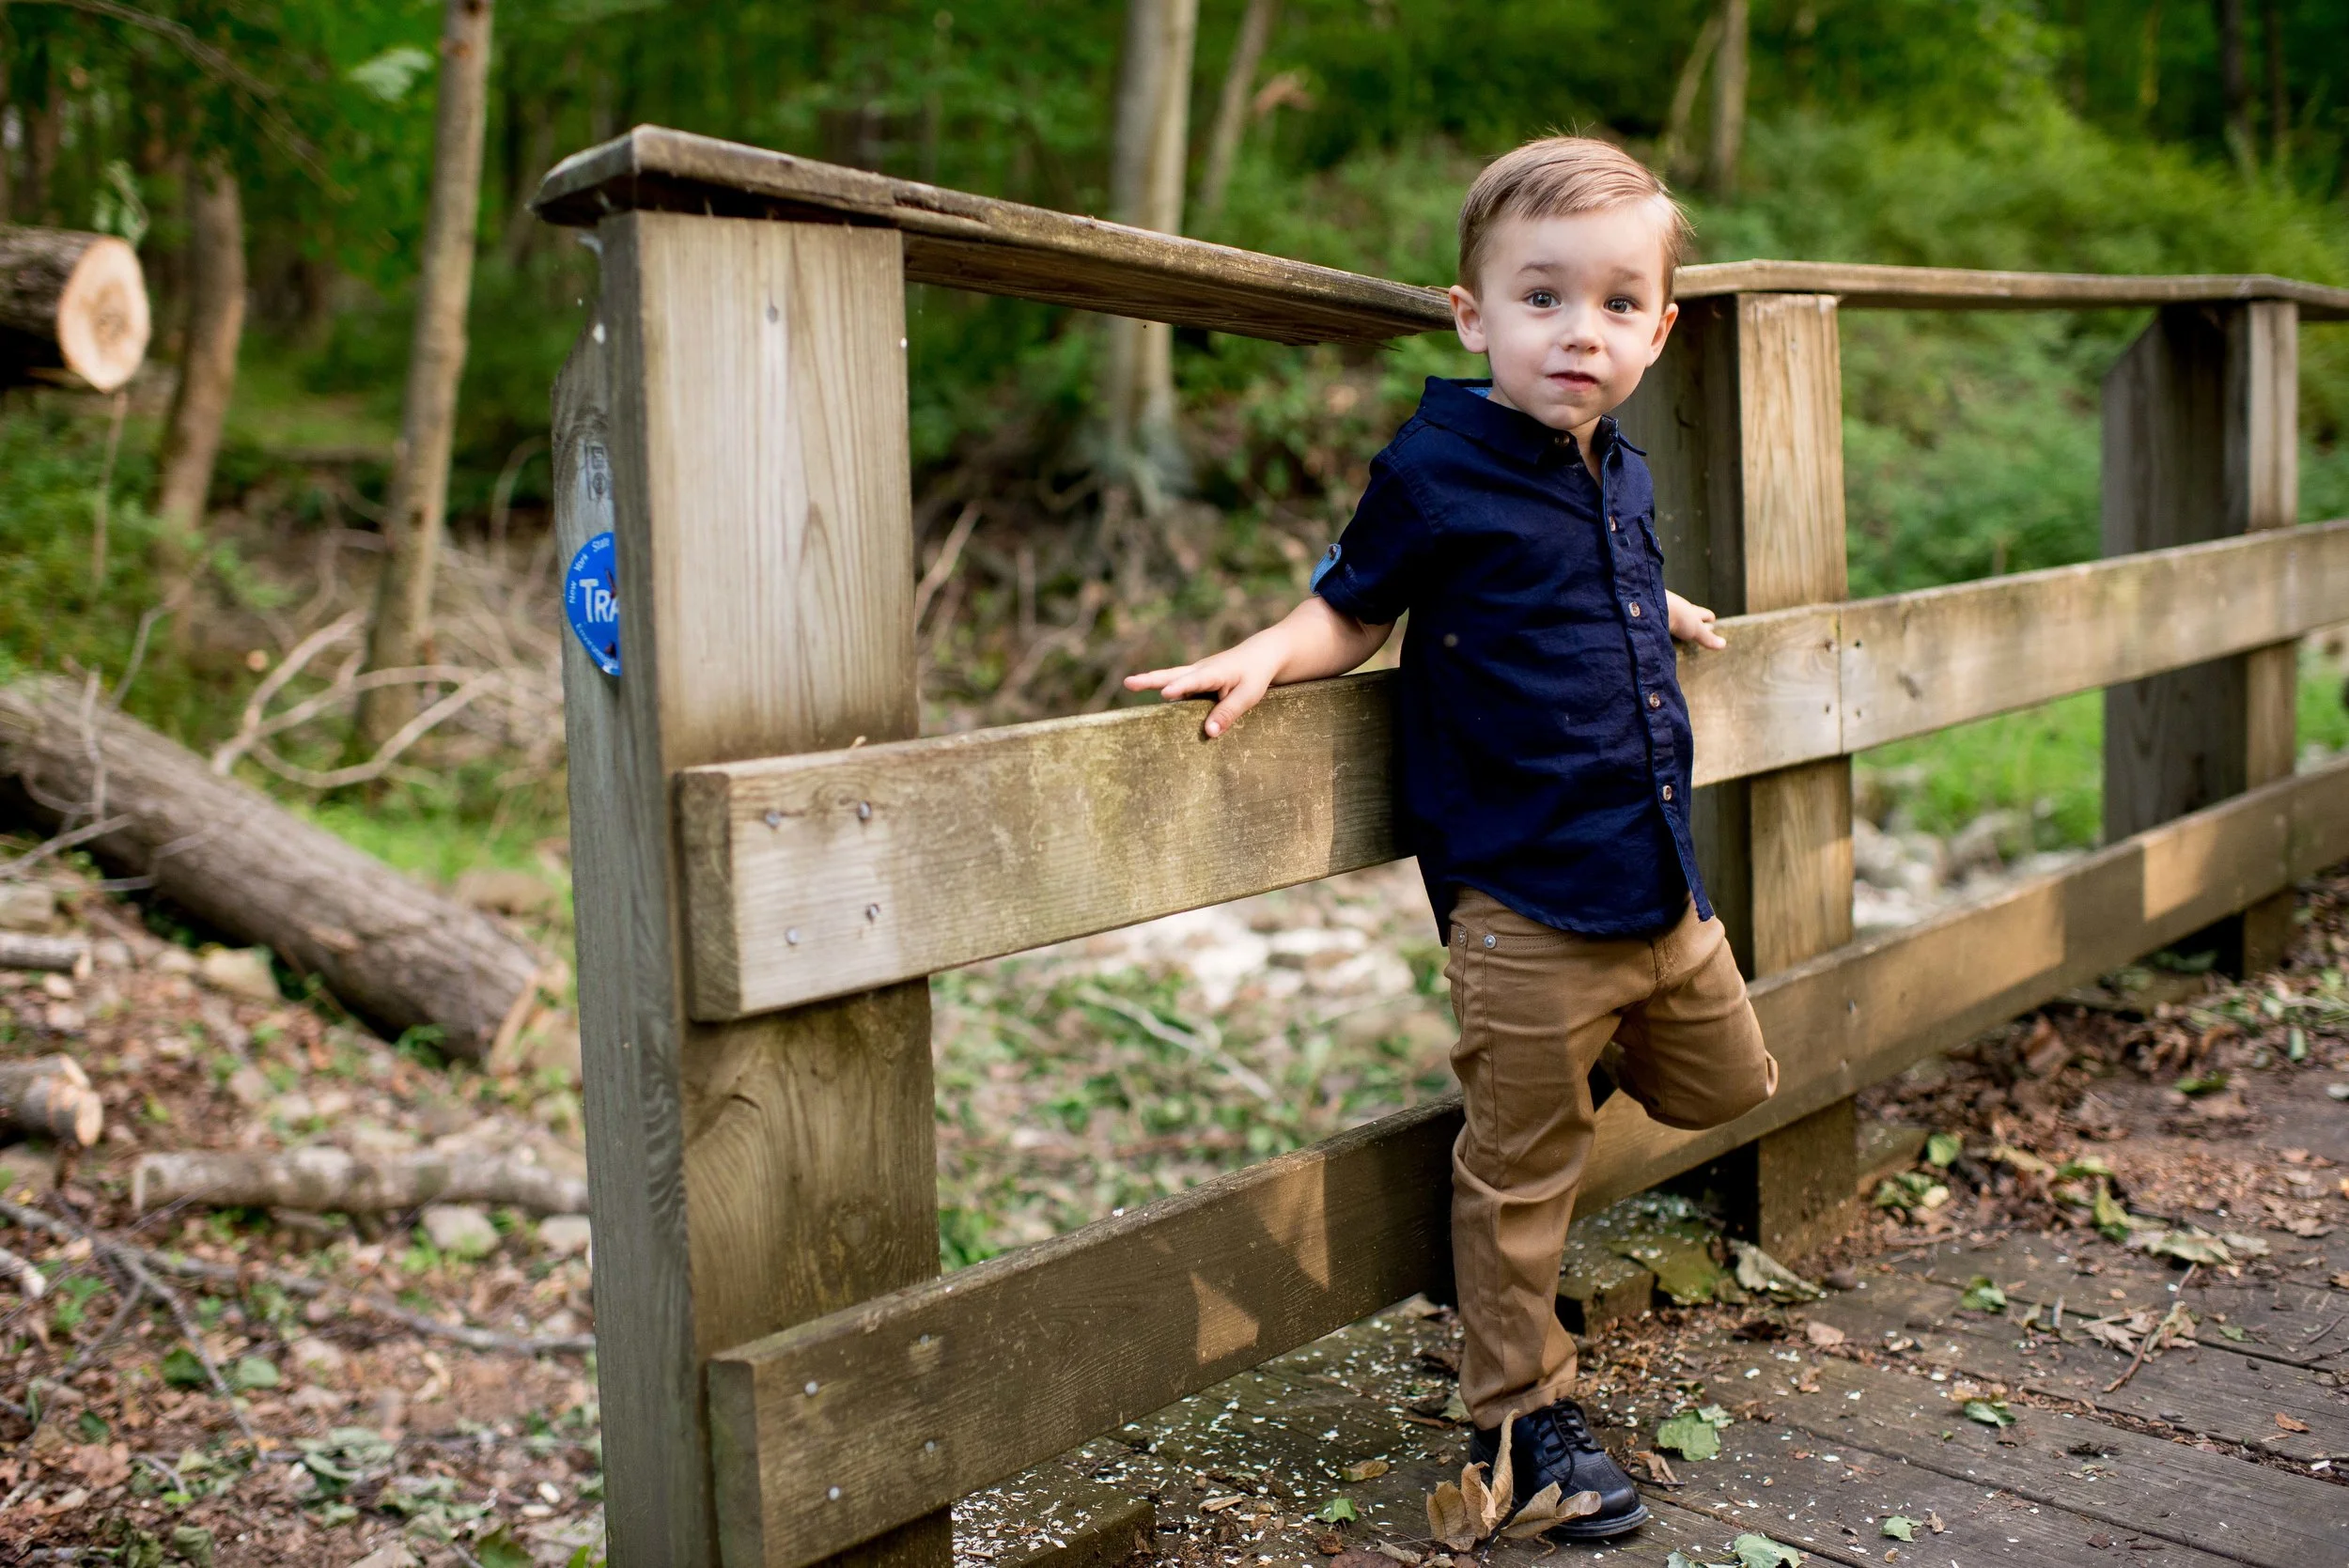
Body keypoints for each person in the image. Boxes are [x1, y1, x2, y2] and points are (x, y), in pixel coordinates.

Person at [1124, 136, 1780, 1540]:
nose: (1578, 333)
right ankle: (1523, 1418)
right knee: (1521, 1171)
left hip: (1658, 879)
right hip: (1526, 899)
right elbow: (1356, 604)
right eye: (1542, 299)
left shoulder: (1622, 473)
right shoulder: (1438, 468)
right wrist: (1263, 653)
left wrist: (1649, 607)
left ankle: (1548, 1082)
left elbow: (1593, 571)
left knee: (1732, 1082)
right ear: (1473, 314)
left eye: (1616, 305)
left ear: (1660, 332)